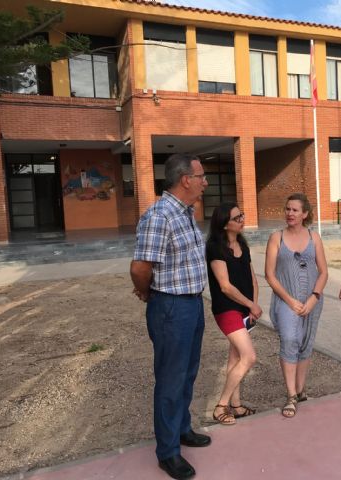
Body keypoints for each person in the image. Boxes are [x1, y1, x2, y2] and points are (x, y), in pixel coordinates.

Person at [130, 153, 210, 480]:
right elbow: (139, 268)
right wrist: (149, 294)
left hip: (191, 303)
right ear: (185, 180)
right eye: (202, 176)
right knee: (170, 379)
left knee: (188, 373)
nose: (206, 181)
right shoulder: (160, 216)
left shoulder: (186, 212)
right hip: (171, 307)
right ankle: (168, 452)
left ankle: (182, 428)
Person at [265, 193, 328, 418]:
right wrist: (291, 300)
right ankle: (291, 395)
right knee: (290, 339)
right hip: (286, 300)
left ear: (305, 214)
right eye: (287, 209)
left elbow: (323, 272)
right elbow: (270, 275)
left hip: (312, 301)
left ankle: (301, 391)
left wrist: (313, 298)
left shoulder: (314, 237)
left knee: (306, 342)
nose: (289, 213)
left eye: (294, 210)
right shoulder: (276, 238)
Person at [206, 202, 262, 426]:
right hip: (226, 309)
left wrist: (253, 306)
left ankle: (236, 406)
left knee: (236, 358)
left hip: (244, 309)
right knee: (249, 356)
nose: (242, 220)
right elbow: (225, 287)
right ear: (224, 223)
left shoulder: (242, 244)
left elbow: (253, 279)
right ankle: (221, 406)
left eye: (242, 215)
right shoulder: (214, 247)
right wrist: (250, 303)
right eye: (237, 217)